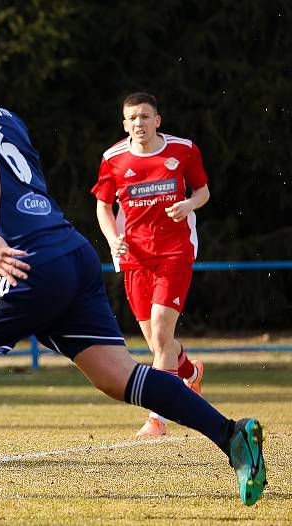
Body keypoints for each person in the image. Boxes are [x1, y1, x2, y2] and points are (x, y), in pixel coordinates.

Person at [0, 32, 265, 510]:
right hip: (70, 252)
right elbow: (12, 181)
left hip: (27, 263)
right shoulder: (1, 114)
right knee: (117, 376)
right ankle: (232, 436)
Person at [92, 92, 210, 437]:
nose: (138, 124)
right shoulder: (113, 158)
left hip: (175, 251)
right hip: (134, 257)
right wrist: (113, 238)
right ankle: (190, 373)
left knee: (160, 331)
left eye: (144, 117)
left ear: (157, 120)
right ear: (124, 124)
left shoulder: (182, 150)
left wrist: (188, 204)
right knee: (159, 343)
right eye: (131, 118)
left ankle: (157, 418)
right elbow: (103, 207)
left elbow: (203, 191)